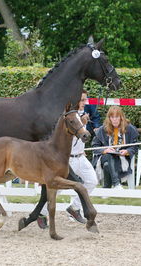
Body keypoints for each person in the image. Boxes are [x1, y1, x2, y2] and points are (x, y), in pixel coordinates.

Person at [37, 90, 99, 228]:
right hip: (67, 159)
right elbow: (63, 139)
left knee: (92, 181)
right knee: (56, 188)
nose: (85, 103)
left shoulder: (82, 116)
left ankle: (74, 208)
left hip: (81, 157)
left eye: (85, 100)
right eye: (82, 100)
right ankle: (41, 214)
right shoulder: (67, 117)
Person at [92, 106, 139, 189]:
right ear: (109, 118)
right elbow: (94, 147)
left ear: (121, 117)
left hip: (122, 159)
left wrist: (127, 151)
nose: (114, 119)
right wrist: (105, 150)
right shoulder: (102, 129)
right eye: (112, 117)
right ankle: (116, 183)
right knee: (110, 154)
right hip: (105, 157)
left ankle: (106, 188)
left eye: (117, 117)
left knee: (107, 165)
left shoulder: (130, 128)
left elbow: (135, 146)